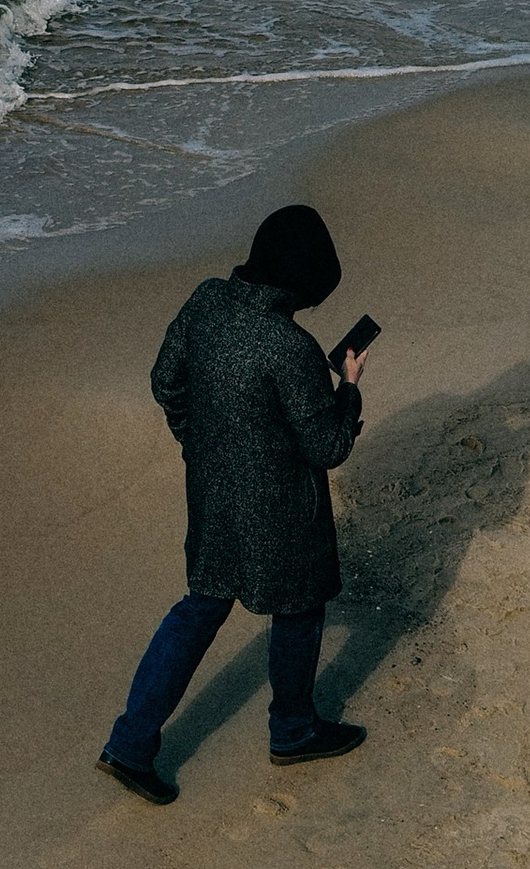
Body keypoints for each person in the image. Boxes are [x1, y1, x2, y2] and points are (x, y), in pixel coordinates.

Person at [98, 202, 369, 803]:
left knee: (199, 607)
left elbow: (164, 380)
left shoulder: (204, 301)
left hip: (213, 496)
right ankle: (293, 730)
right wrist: (348, 390)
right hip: (281, 512)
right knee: (298, 609)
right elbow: (326, 447)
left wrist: (197, 444)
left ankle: (130, 742)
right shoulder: (291, 346)